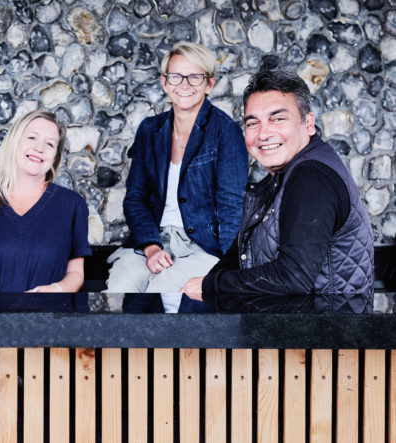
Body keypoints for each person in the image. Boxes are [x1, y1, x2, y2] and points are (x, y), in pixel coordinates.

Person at [182, 69, 374, 296]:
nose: (263, 134)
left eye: (278, 119)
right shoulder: (282, 177)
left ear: (308, 123)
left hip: (326, 319)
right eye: (253, 123)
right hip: (295, 316)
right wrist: (208, 283)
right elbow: (236, 257)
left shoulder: (311, 177)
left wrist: (211, 286)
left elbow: (293, 278)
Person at [105, 42, 248, 293]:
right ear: (164, 82)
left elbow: (231, 206)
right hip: (153, 240)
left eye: (194, 77)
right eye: (176, 76)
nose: (184, 84)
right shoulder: (150, 130)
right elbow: (136, 198)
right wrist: (151, 247)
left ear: (209, 84)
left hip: (203, 246)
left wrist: (228, 271)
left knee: (163, 293)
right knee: (119, 291)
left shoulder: (226, 132)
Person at [0, 110, 91, 292]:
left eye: (50, 144)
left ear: (54, 157)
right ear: (14, 142)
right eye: (32, 138)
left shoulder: (73, 205)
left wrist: (55, 290)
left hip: (49, 311)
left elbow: (76, 274)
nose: (40, 148)